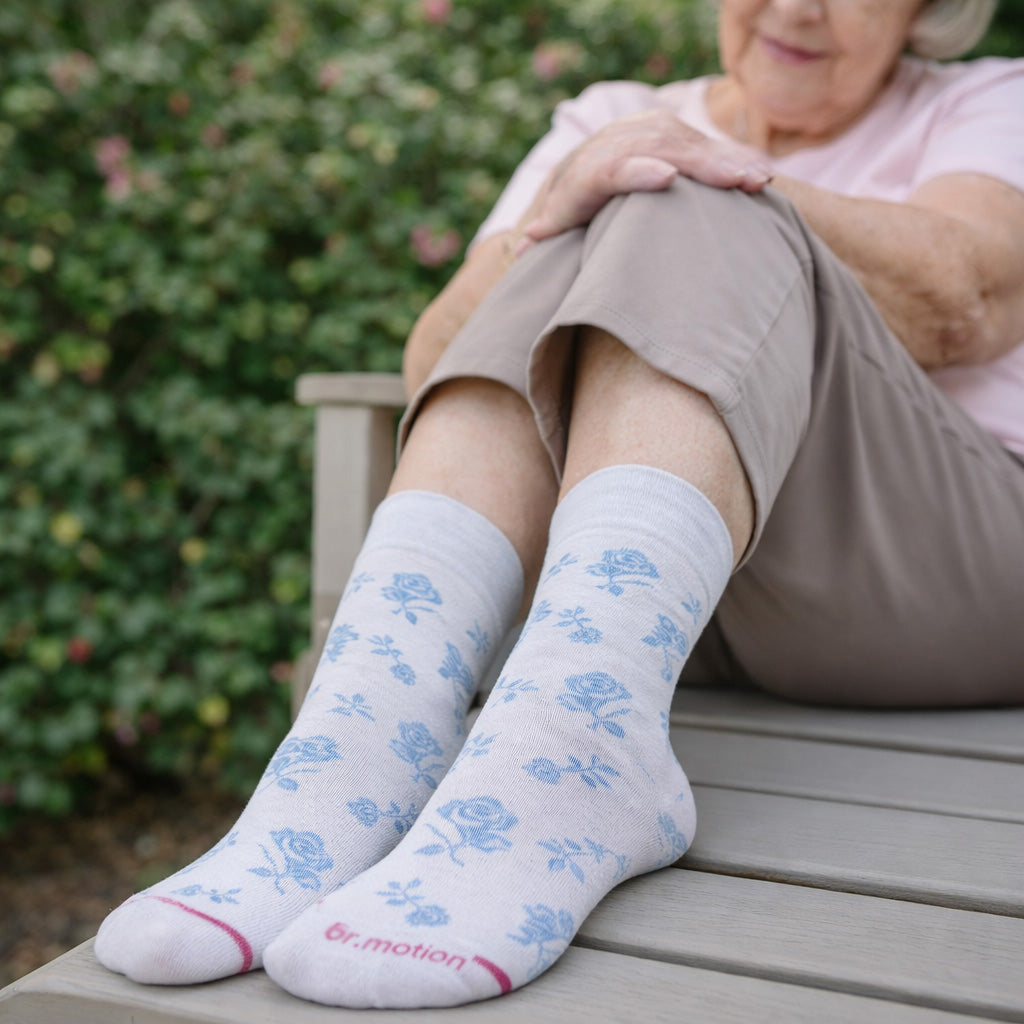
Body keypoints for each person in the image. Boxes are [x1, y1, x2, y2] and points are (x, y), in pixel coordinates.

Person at [95, 0, 1024, 1009]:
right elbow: (438, 356)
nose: (796, 6)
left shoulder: (988, 102)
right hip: (694, 605)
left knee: (683, 190)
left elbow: (963, 300)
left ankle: (571, 765)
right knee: (599, 196)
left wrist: (699, 178)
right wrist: (567, 208)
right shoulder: (613, 112)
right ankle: (358, 753)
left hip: (939, 581)